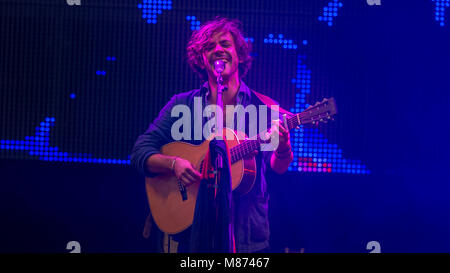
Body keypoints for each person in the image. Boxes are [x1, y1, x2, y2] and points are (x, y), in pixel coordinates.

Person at [131, 16, 293, 253]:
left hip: (246, 238)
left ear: (238, 54)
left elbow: (278, 166)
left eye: (225, 44)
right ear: (201, 59)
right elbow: (140, 152)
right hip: (195, 238)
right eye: (209, 47)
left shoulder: (264, 108)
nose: (218, 50)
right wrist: (174, 163)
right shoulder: (182, 105)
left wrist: (283, 146)